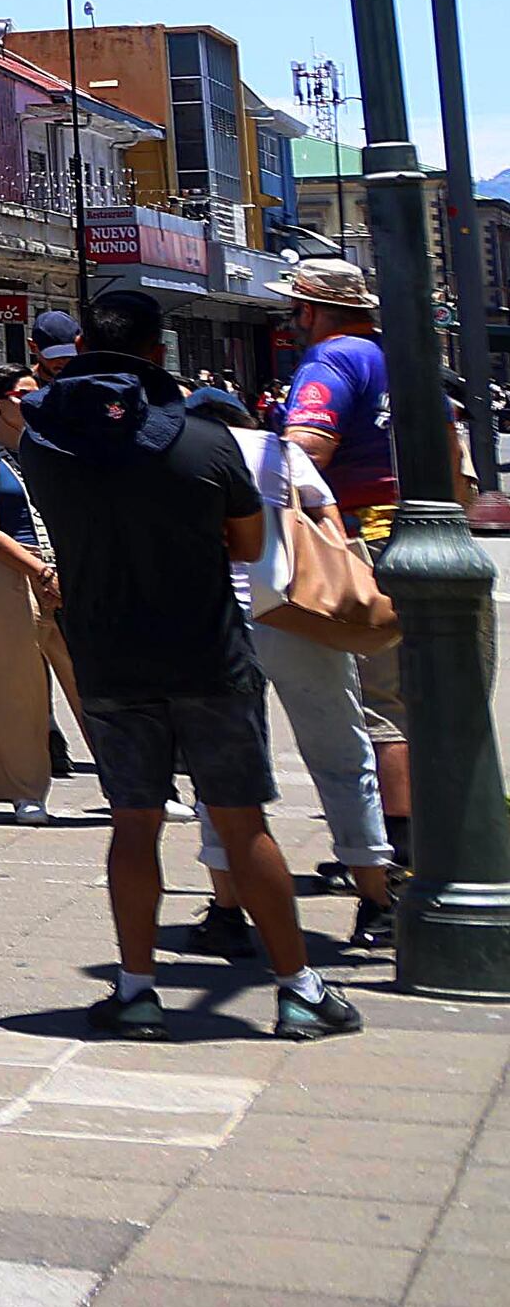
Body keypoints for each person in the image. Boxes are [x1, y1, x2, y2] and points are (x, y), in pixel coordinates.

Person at [25, 287, 363, 1041]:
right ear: (157, 351)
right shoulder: (206, 440)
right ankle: (299, 988)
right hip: (208, 649)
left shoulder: (44, 445)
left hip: (110, 653)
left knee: (134, 822)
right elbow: (247, 545)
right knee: (244, 823)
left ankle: (138, 989)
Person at [204, 388, 396, 957]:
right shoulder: (279, 451)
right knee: (342, 753)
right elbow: (330, 522)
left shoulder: (184, 452)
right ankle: (376, 901)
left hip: (219, 625)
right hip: (294, 615)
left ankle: (228, 909)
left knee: (221, 769)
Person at [271, 258, 417, 852]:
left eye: (294, 309)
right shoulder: (396, 359)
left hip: (360, 538)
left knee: (377, 702)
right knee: (409, 693)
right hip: (415, 533)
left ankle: (396, 849)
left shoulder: (332, 360)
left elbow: (302, 450)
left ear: (311, 310)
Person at [0, 365, 84, 826]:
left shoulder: (47, 448)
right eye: (25, 394)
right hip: (13, 573)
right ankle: (25, 790)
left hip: (63, 569)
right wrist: (40, 570)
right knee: (18, 687)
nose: (36, 401)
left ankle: (137, 783)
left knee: (94, 679)